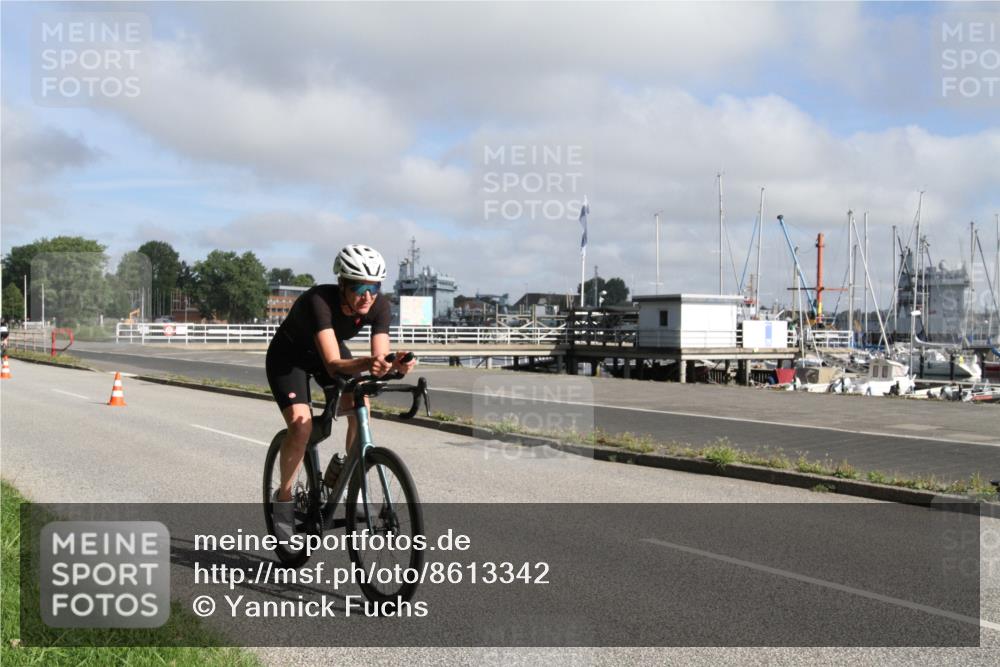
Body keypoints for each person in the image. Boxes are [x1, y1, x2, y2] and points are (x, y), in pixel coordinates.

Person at [265, 244, 415, 536]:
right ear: (342, 284)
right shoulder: (318, 301)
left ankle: (349, 482)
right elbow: (334, 364)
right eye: (360, 287)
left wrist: (395, 364)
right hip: (290, 359)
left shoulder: (379, 306)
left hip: (330, 354)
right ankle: (283, 501)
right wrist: (370, 362)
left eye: (374, 287)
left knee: (362, 406)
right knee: (301, 426)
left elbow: (379, 359)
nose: (368, 296)